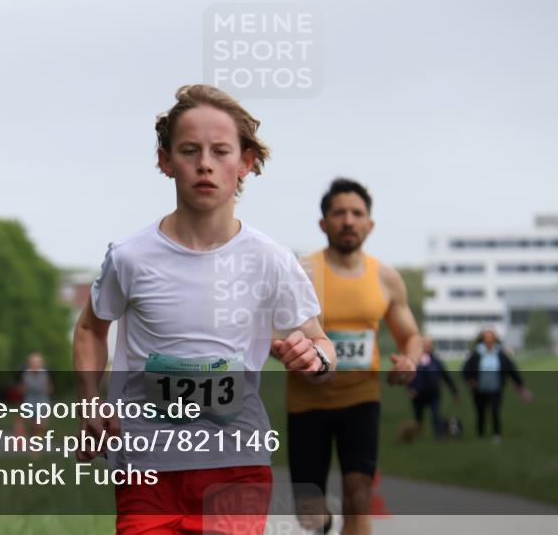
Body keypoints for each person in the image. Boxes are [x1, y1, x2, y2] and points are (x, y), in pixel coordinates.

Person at [72, 84, 336, 535]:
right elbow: (90, 331)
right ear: (165, 160)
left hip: (236, 465)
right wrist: (89, 401)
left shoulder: (270, 259)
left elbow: (320, 344)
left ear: (246, 162)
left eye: (220, 151)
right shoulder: (131, 256)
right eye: (190, 150)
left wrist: (316, 360)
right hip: (146, 467)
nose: (205, 164)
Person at [288, 178, 422, 535]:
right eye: (339, 213)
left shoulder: (387, 278)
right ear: (323, 223)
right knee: (310, 514)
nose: (348, 220)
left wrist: (409, 360)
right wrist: (296, 354)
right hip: (306, 404)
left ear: (370, 224)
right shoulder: (301, 273)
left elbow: (410, 336)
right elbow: (274, 335)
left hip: (361, 400)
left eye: (357, 213)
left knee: (358, 495)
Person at [461, 328, 532, 443]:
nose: (489, 342)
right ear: (482, 340)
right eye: (486, 339)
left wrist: (521, 387)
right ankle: (480, 435)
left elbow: (511, 370)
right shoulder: (476, 354)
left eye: (491, 339)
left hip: (496, 389)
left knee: (495, 411)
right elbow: (465, 370)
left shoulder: (501, 354)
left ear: (495, 340)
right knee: (481, 413)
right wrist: (471, 380)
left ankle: (496, 434)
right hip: (479, 390)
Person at [403, 337, 459, 439]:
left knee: (436, 416)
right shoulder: (414, 361)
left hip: (434, 395)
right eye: (425, 344)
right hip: (418, 395)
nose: (427, 347)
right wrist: (410, 389)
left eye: (429, 344)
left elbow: (446, 377)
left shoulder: (436, 361)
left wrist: (455, 392)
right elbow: (408, 376)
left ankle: (439, 436)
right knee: (418, 418)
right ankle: (416, 437)